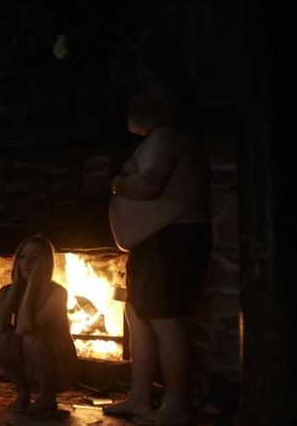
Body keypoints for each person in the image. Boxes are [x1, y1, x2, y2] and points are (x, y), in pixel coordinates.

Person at [104, 75, 212, 426]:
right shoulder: (158, 137)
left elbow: (149, 185)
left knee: (166, 320)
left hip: (172, 240)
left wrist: (116, 181)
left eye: (142, 95)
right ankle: (140, 398)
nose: (133, 101)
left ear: (164, 103)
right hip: (154, 243)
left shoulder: (168, 135)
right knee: (138, 317)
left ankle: (177, 406)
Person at [0, 236, 80, 415]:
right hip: (27, 365)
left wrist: (31, 287)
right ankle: (23, 392)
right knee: (1, 338)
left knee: (32, 338)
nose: (26, 263)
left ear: (46, 263)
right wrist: (16, 285)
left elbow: (25, 328)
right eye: (22, 257)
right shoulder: (6, 291)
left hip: (60, 368)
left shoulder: (58, 293)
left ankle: (47, 396)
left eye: (34, 258)